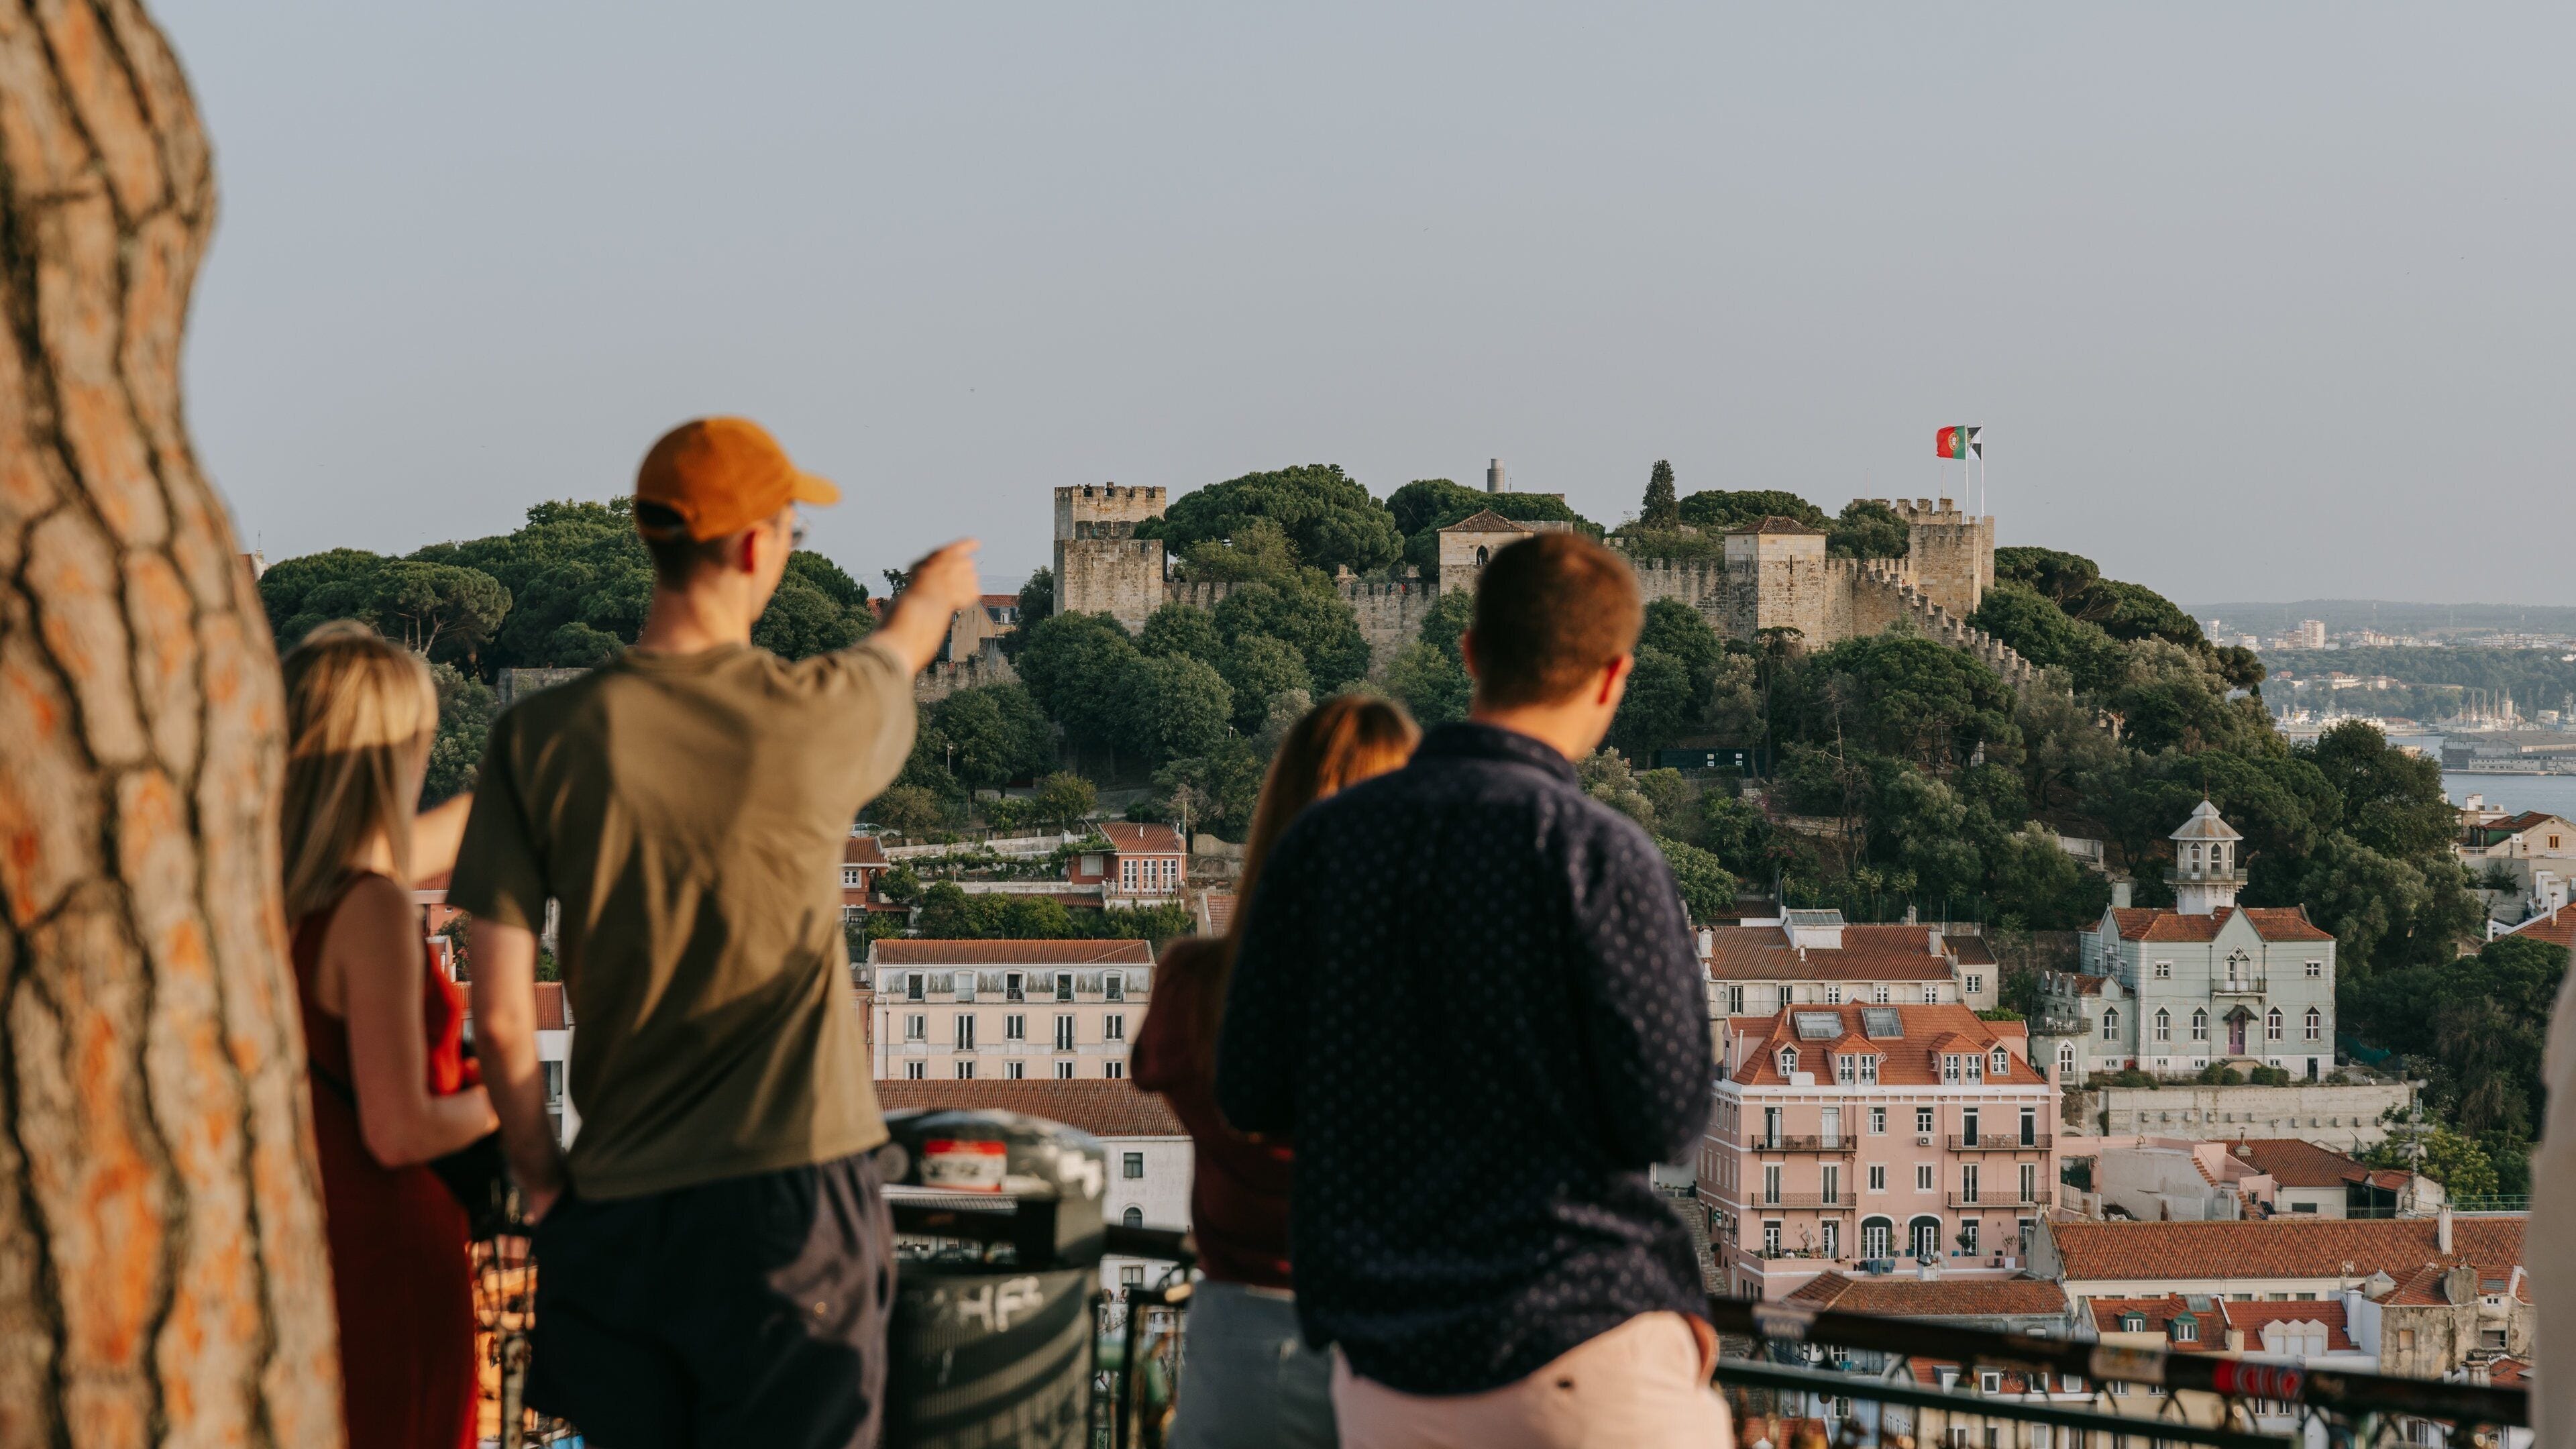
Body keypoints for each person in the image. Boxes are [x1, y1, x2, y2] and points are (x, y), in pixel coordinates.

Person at [449, 417, 981, 1449]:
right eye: (788, 531)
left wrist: (546, 1182)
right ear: (750, 547)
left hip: (619, 1207)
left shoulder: (538, 738)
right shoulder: (810, 716)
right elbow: (898, 651)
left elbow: (505, 1018)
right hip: (790, 1200)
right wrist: (932, 591)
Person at [1215, 532, 1728, 1449]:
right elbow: (1668, 1120)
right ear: (1614, 676)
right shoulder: (1601, 856)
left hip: (1388, 1369)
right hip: (1581, 1340)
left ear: (1470, 652)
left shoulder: (1321, 847)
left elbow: (1249, 1089)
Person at [1132, 696, 1420, 1449]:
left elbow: (1156, 1068)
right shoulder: (1437, 995)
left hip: (1239, 1350)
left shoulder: (1197, 985)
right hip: (1400, 1336)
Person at [279, 621, 500, 1449]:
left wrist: (495, 806)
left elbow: (381, 854)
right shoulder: (369, 910)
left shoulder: (280, 895)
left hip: (318, 1242)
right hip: (392, 1249)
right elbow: (399, 1129)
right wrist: (505, 1098)